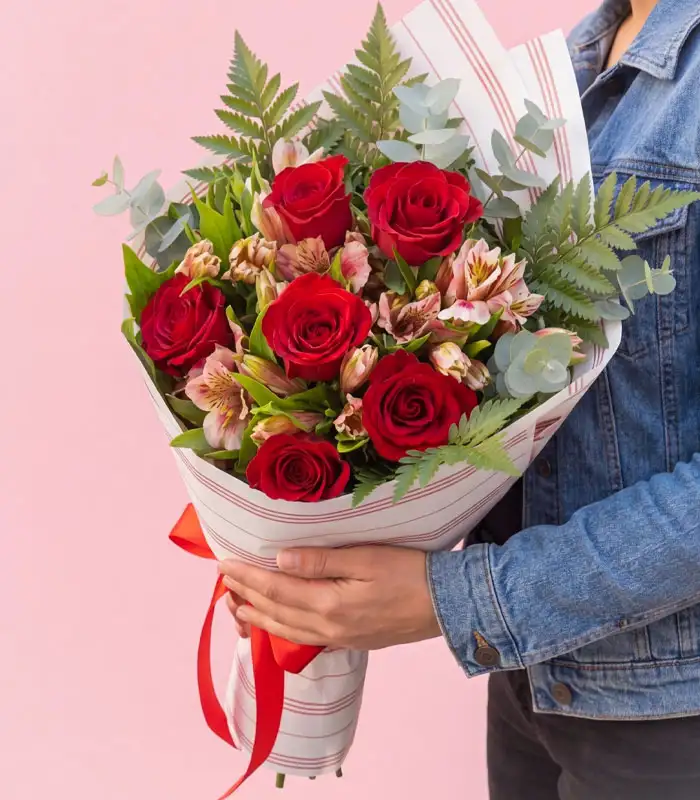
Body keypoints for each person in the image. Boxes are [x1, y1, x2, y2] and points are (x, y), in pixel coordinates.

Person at [219, 1, 700, 797]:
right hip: (535, 686)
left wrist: (457, 600)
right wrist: (313, 530)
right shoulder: (569, 67)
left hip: (672, 719)